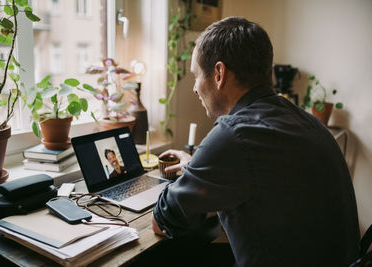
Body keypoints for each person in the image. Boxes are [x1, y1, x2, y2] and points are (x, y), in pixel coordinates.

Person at [151, 16, 360, 266]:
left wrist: (191, 176)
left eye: (196, 76)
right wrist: (200, 167)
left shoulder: (234, 134)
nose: (195, 88)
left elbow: (162, 221)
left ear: (219, 74)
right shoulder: (308, 122)